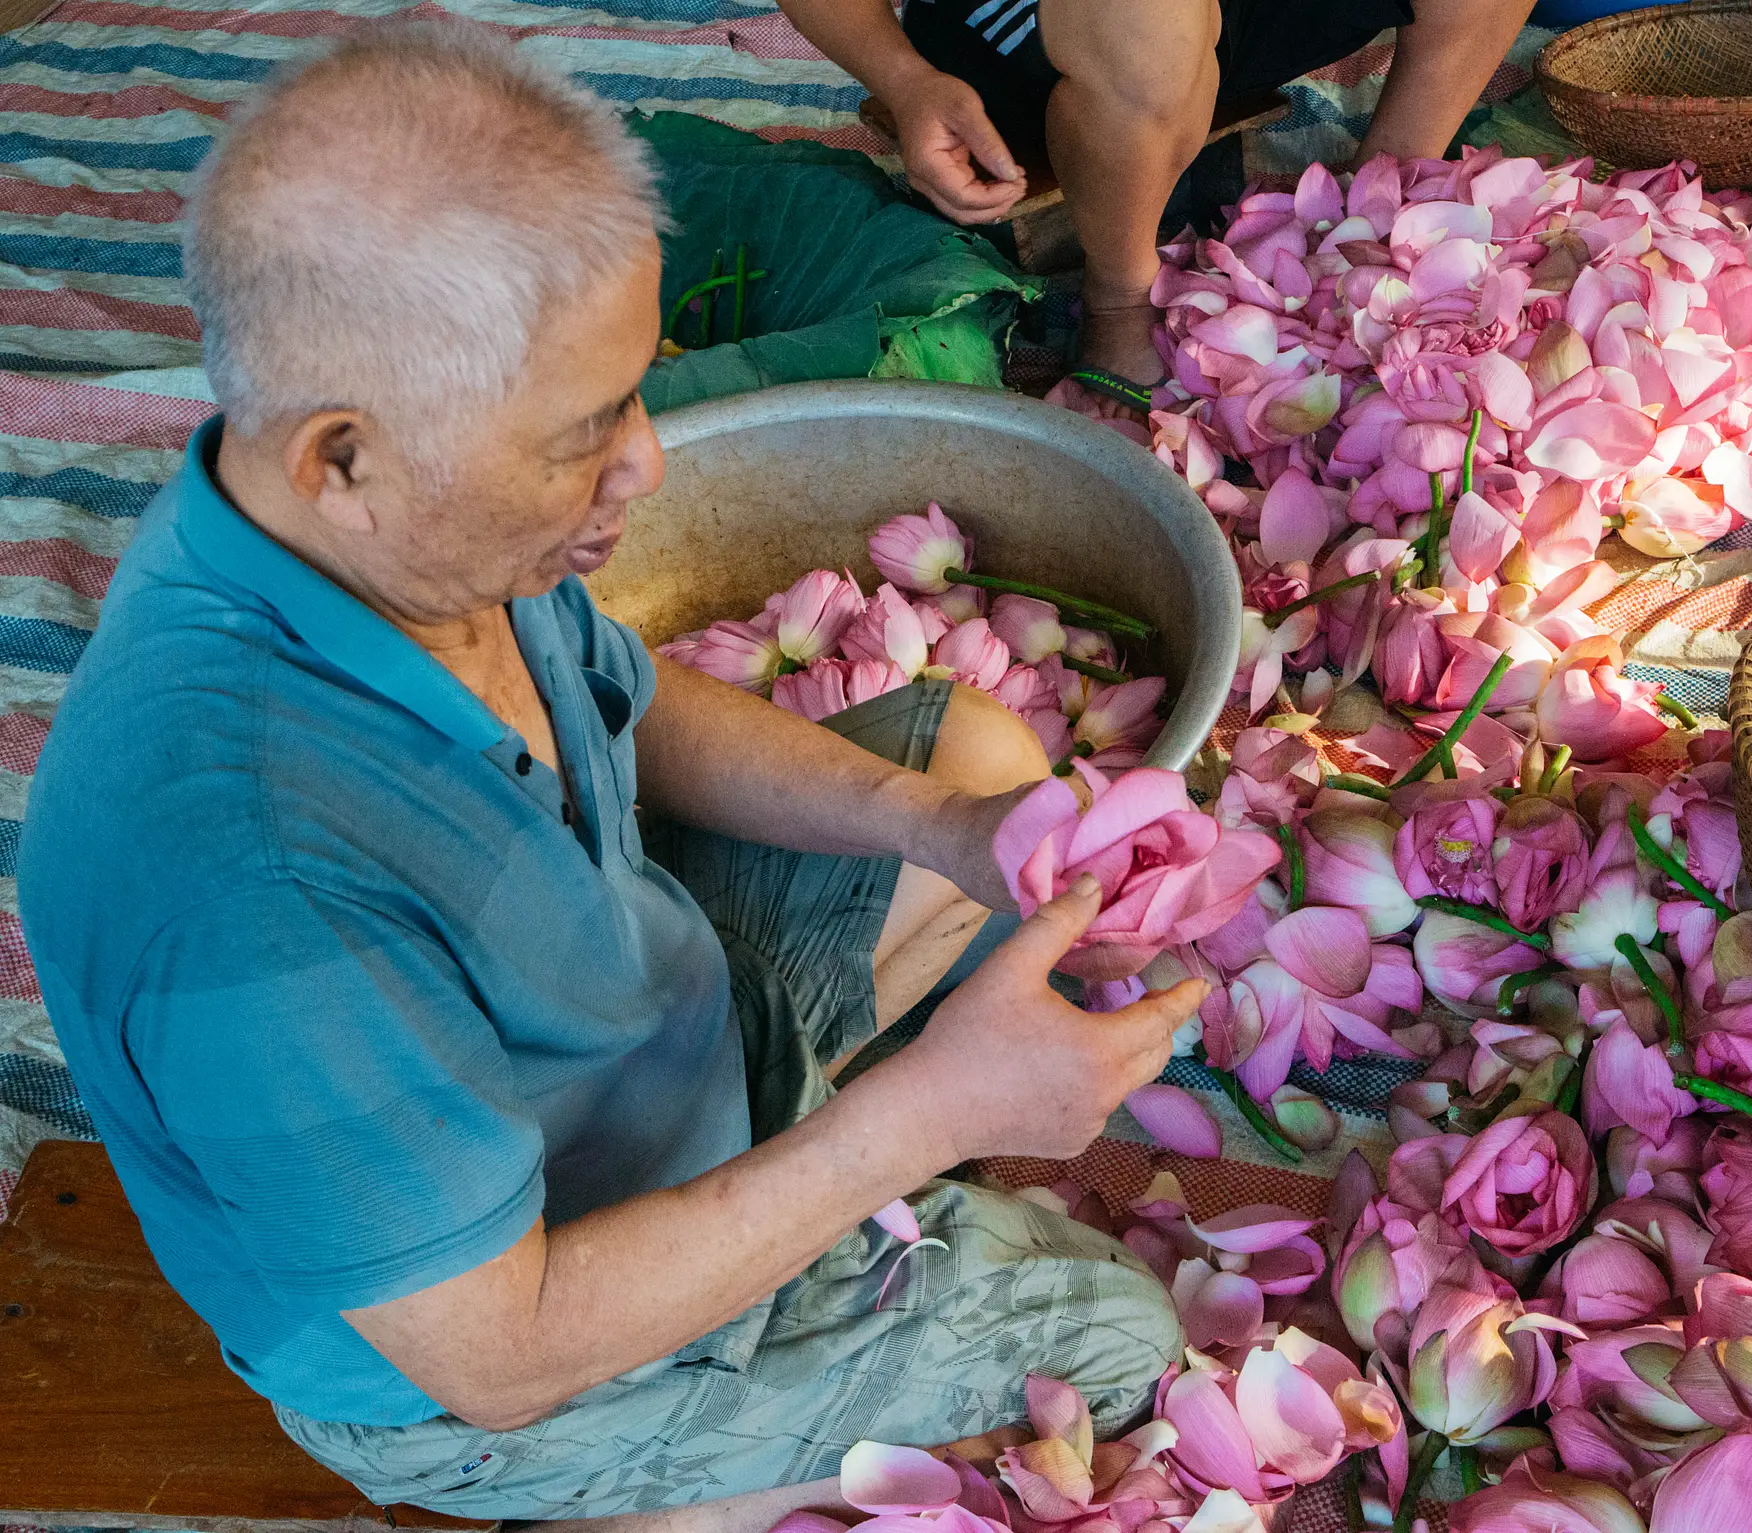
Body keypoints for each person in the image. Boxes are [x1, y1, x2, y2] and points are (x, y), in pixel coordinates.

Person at [19, 24, 1204, 1530]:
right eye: (584, 436)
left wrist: (949, 830)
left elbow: (631, 718)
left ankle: (796, 1207)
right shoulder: (248, 874)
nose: (642, 467)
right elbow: (495, 1353)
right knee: (1122, 1355)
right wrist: (919, 1123)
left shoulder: (410, 534)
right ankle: (641, 1484)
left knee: (974, 751)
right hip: (503, 1360)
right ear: (344, 455)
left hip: (642, 1041)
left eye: (634, 395)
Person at [778, 0, 1538, 408]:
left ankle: (1381, 202)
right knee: (1148, 23)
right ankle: (1119, 299)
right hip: (1061, 26)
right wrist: (905, 82)